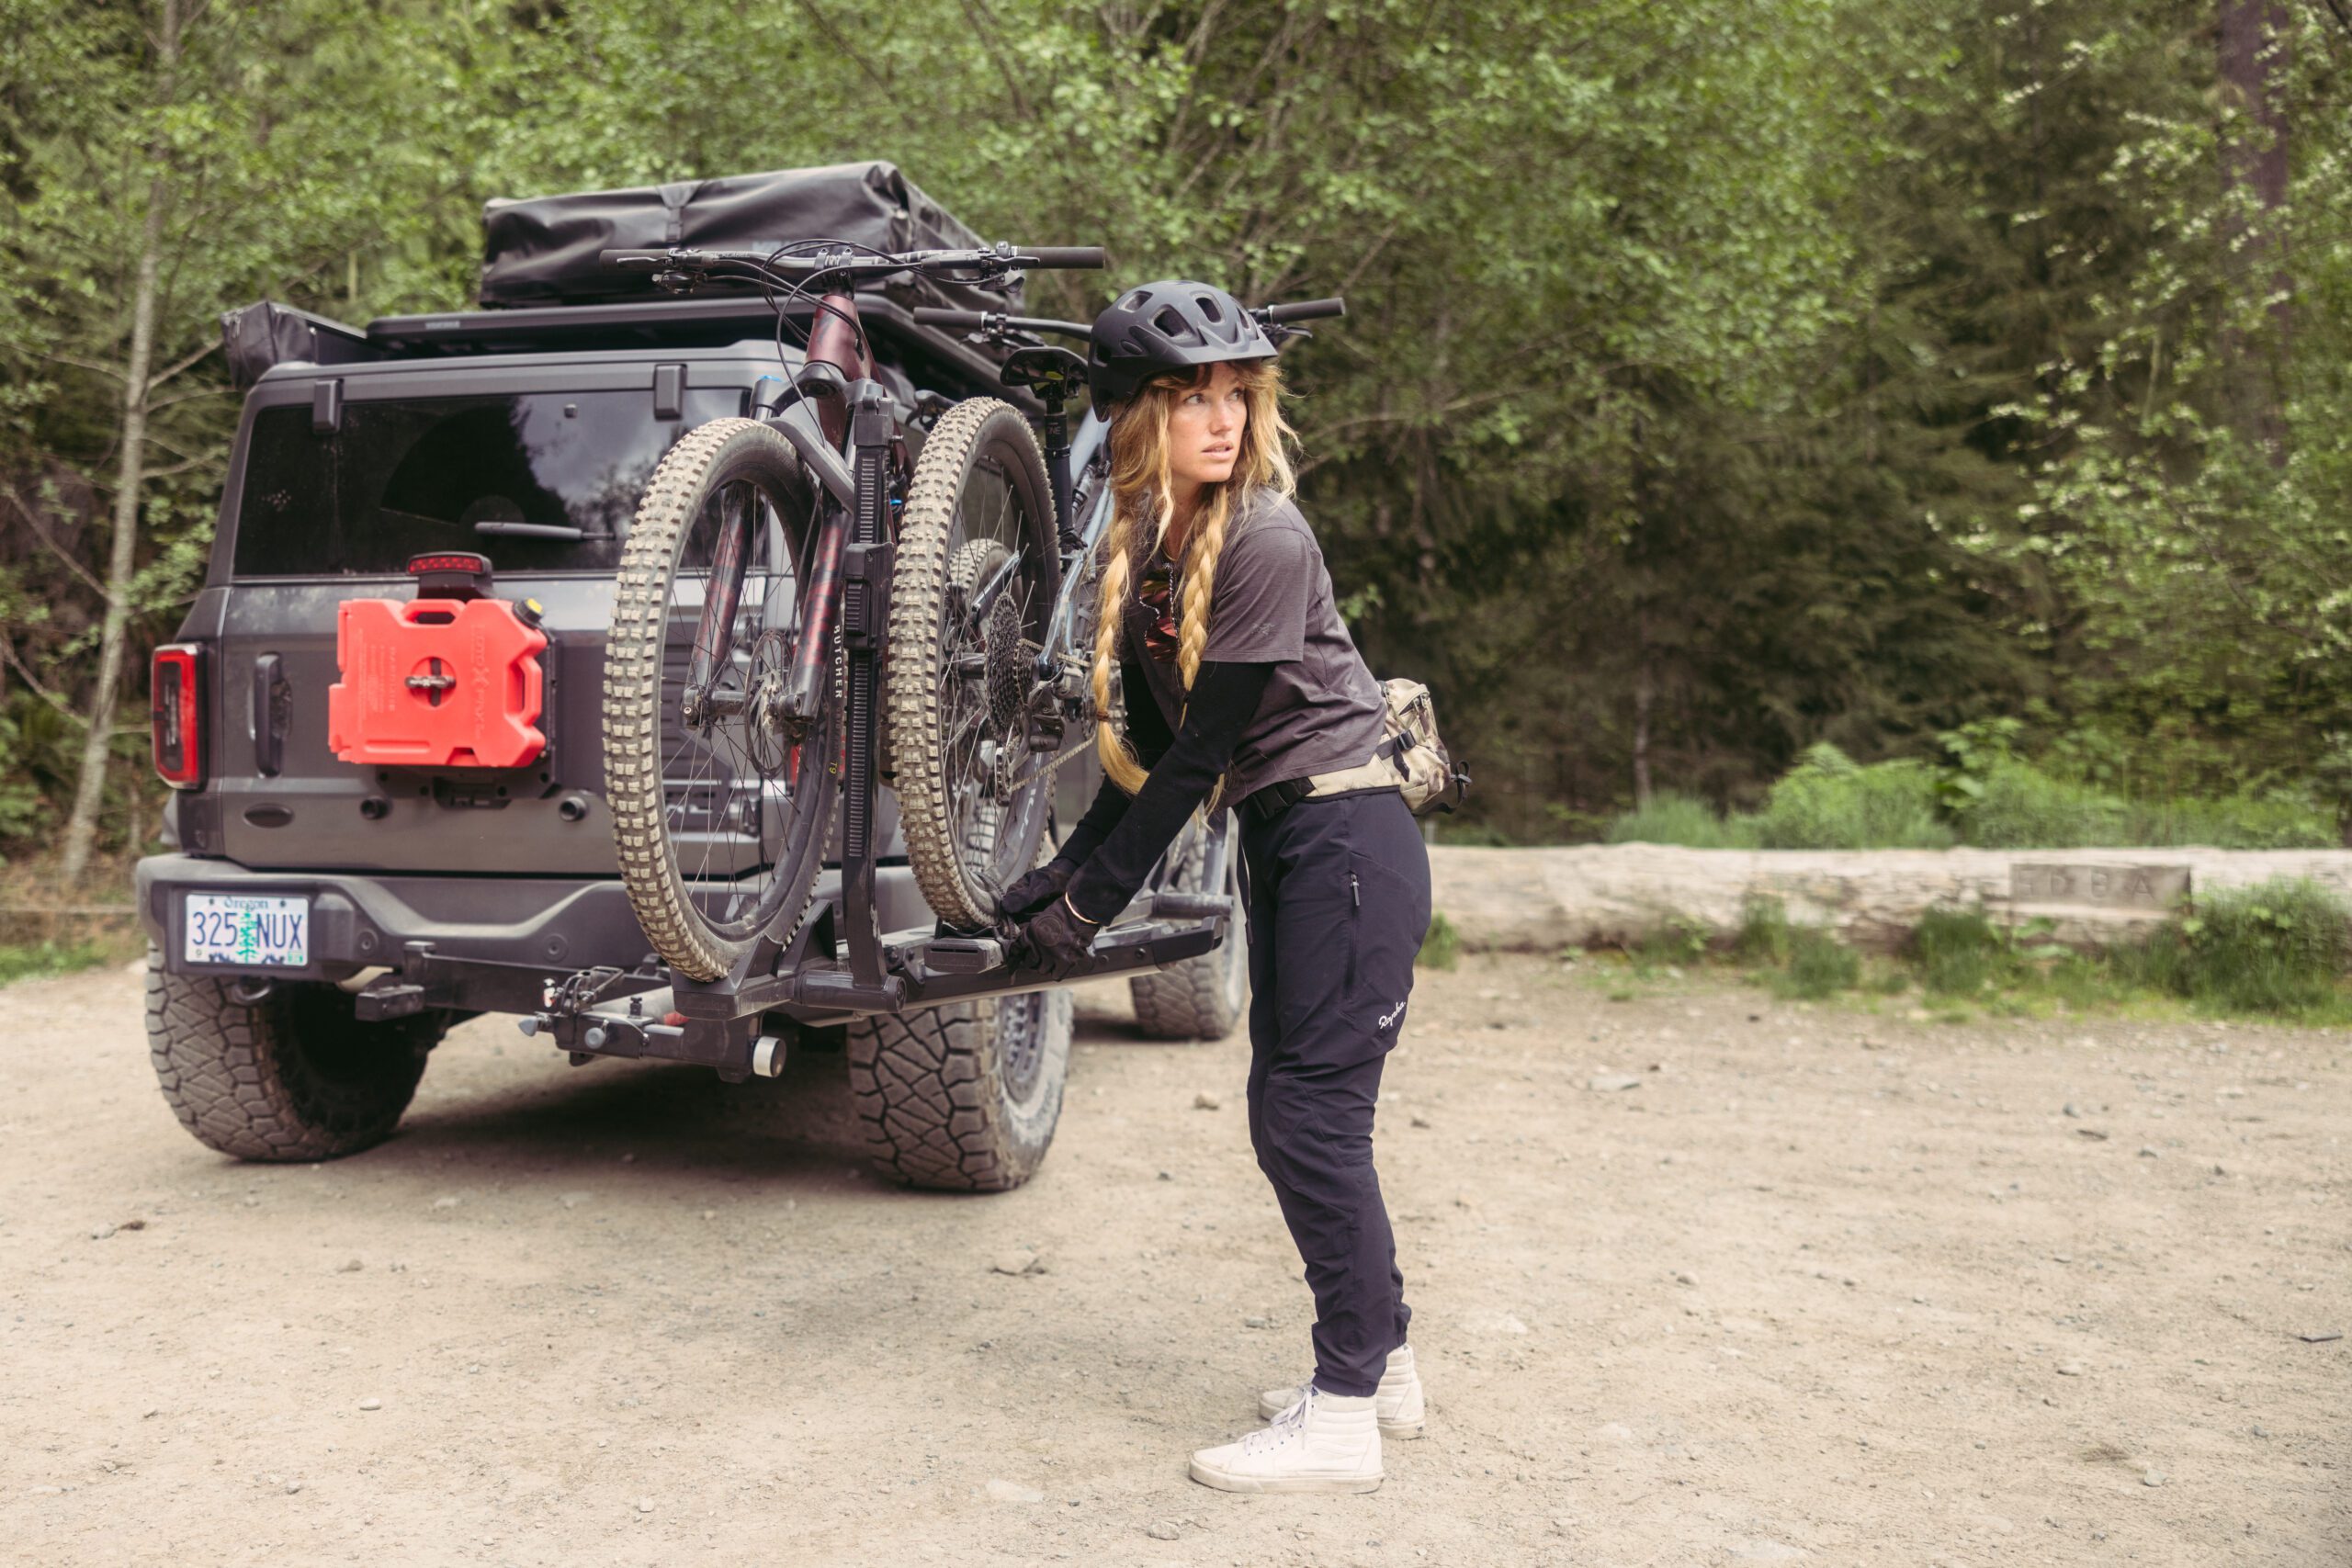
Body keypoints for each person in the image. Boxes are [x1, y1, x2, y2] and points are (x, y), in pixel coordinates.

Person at [1001, 280, 1432, 1494]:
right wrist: (1056, 878)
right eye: (1193, 397)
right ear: (1134, 416)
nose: (1224, 417)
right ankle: (1386, 1363)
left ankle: (1343, 1416)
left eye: (1237, 393)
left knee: (1312, 1122)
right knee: (1287, 1114)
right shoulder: (1152, 554)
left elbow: (1201, 760)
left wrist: (1085, 913)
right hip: (1296, 846)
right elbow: (1142, 762)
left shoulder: (1266, 538)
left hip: (1349, 846)